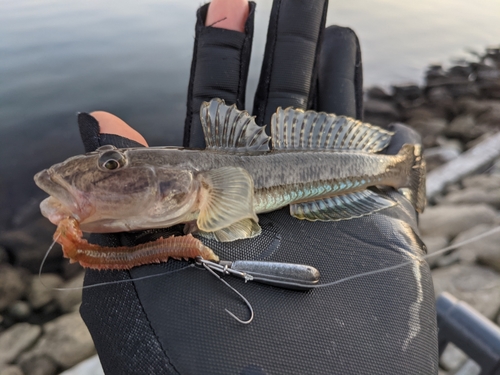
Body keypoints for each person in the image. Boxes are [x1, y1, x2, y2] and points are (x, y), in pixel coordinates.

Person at [77, 0, 439, 373]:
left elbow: (236, 224)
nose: (110, 172)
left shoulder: (205, 187)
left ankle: (400, 171)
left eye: (112, 165)